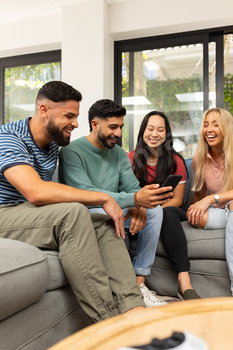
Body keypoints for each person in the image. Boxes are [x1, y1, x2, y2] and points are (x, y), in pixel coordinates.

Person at [0, 81, 146, 323]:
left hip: (29, 213)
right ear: (44, 110)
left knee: (102, 220)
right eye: (69, 116)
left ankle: (134, 309)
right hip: (5, 213)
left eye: (76, 116)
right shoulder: (8, 138)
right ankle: (108, 323)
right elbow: (35, 192)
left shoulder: (52, 144)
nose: (76, 124)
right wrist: (103, 196)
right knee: (73, 213)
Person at [59, 99, 174, 307]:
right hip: (88, 213)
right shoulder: (71, 152)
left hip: (117, 210)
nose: (119, 133)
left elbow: (132, 188)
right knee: (108, 213)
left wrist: (138, 205)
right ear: (94, 124)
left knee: (156, 211)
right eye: (113, 127)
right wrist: (134, 200)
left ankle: (139, 283)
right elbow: (85, 192)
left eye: (120, 127)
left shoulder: (119, 153)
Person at [128, 111, 200, 300]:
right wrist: (142, 209)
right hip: (141, 210)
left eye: (160, 130)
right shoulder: (130, 159)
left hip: (170, 210)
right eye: (150, 128)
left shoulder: (175, 161)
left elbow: (177, 200)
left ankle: (185, 284)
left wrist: (154, 209)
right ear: (143, 131)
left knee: (166, 213)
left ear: (166, 135)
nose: (155, 134)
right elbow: (128, 195)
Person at [187, 107, 233, 296]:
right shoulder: (199, 158)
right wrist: (194, 208)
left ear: (226, 128)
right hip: (219, 212)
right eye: (206, 125)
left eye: (215, 124)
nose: (209, 129)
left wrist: (211, 198)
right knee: (196, 218)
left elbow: (208, 197)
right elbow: (199, 195)